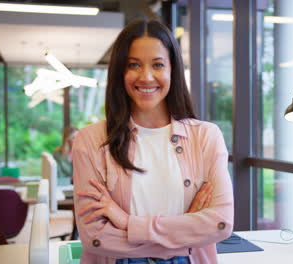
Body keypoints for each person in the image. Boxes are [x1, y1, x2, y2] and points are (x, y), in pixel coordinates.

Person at [72, 20, 234, 264]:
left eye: (157, 64)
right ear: (120, 72)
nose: (146, 77)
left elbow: (220, 223)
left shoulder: (206, 137)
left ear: (172, 70)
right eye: (133, 65)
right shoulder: (91, 141)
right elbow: (96, 237)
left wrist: (127, 223)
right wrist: (184, 236)